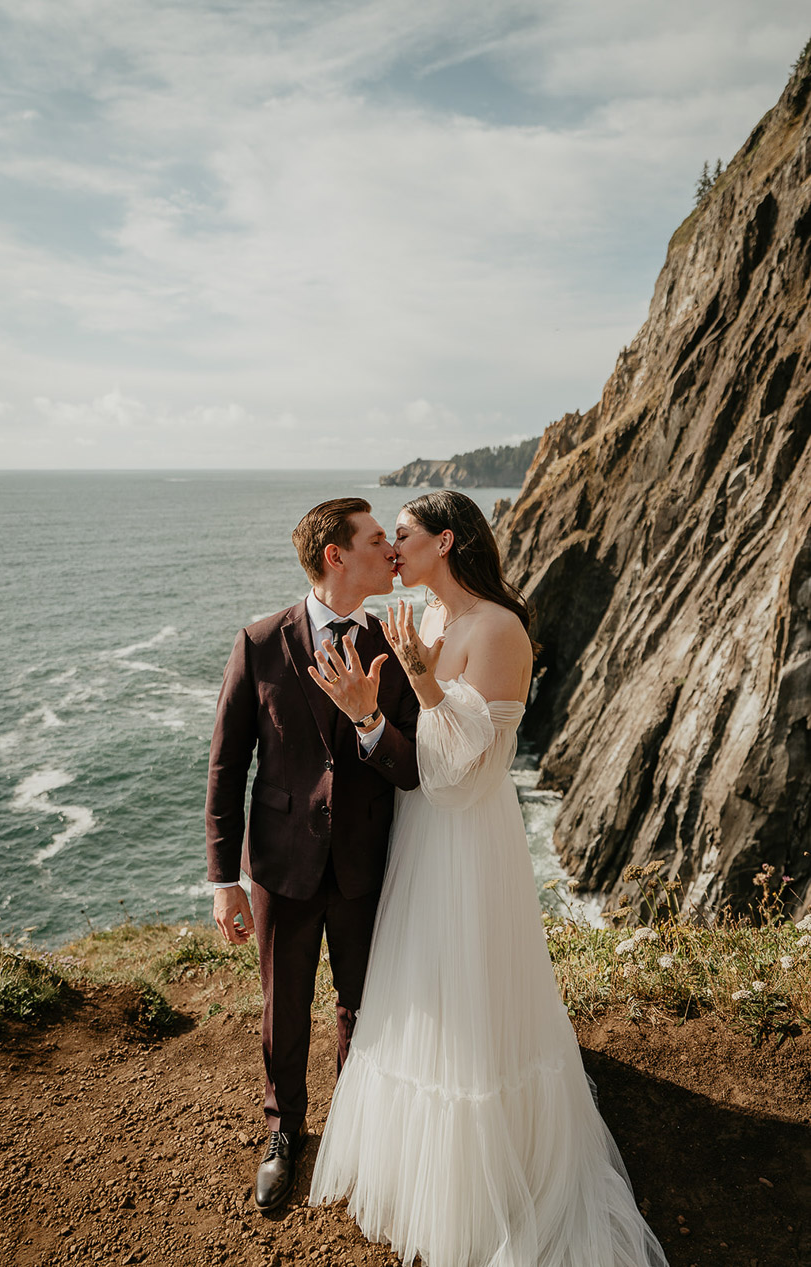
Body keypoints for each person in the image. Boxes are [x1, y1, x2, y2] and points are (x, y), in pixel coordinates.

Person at [309, 491, 668, 1267]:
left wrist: (418, 680)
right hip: (420, 835)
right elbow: (410, 762)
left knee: (471, 1000)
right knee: (420, 993)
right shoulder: (428, 622)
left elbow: (467, 770)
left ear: (445, 541)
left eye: (401, 535)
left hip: (467, 838)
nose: (392, 548)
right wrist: (374, 709)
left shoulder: (499, 628)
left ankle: (488, 1186)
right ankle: (417, 1173)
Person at [205, 497, 419, 1214]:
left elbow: (413, 766)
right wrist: (223, 881)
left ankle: (360, 1135)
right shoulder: (261, 641)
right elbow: (225, 766)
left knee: (363, 1006)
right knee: (283, 1006)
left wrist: (369, 719)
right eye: (377, 539)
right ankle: (284, 1132)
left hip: (365, 862)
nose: (392, 550)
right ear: (336, 555)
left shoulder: (394, 642)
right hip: (281, 865)